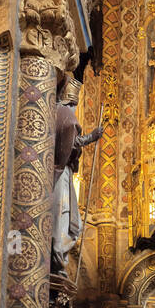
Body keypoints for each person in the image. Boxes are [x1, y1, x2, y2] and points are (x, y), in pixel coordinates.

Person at [51, 75, 104, 278]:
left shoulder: (61, 113)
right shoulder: (65, 114)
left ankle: (59, 258)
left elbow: (70, 140)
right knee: (61, 214)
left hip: (64, 171)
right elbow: (70, 140)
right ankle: (57, 257)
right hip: (60, 172)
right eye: (73, 104)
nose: (74, 109)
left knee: (68, 218)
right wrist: (91, 137)